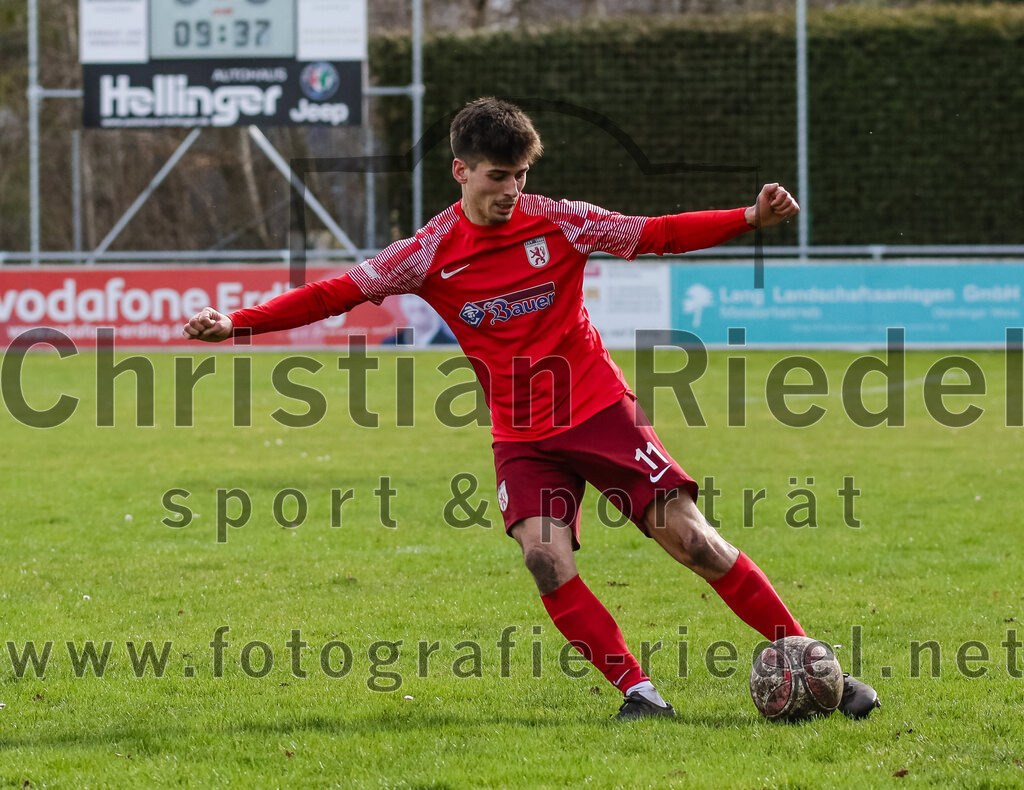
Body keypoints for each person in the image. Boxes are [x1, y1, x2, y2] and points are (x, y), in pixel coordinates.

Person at [183, 97, 880, 721]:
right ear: (461, 171)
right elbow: (335, 292)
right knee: (545, 560)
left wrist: (749, 218)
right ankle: (640, 695)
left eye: (520, 175)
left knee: (694, 542)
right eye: (497, 176)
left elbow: (655, 233)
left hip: (602, 411)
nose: (512, 190)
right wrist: (238, 322)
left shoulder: (562, 222)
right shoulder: (427, 253)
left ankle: (823, 672)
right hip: (522, 436)